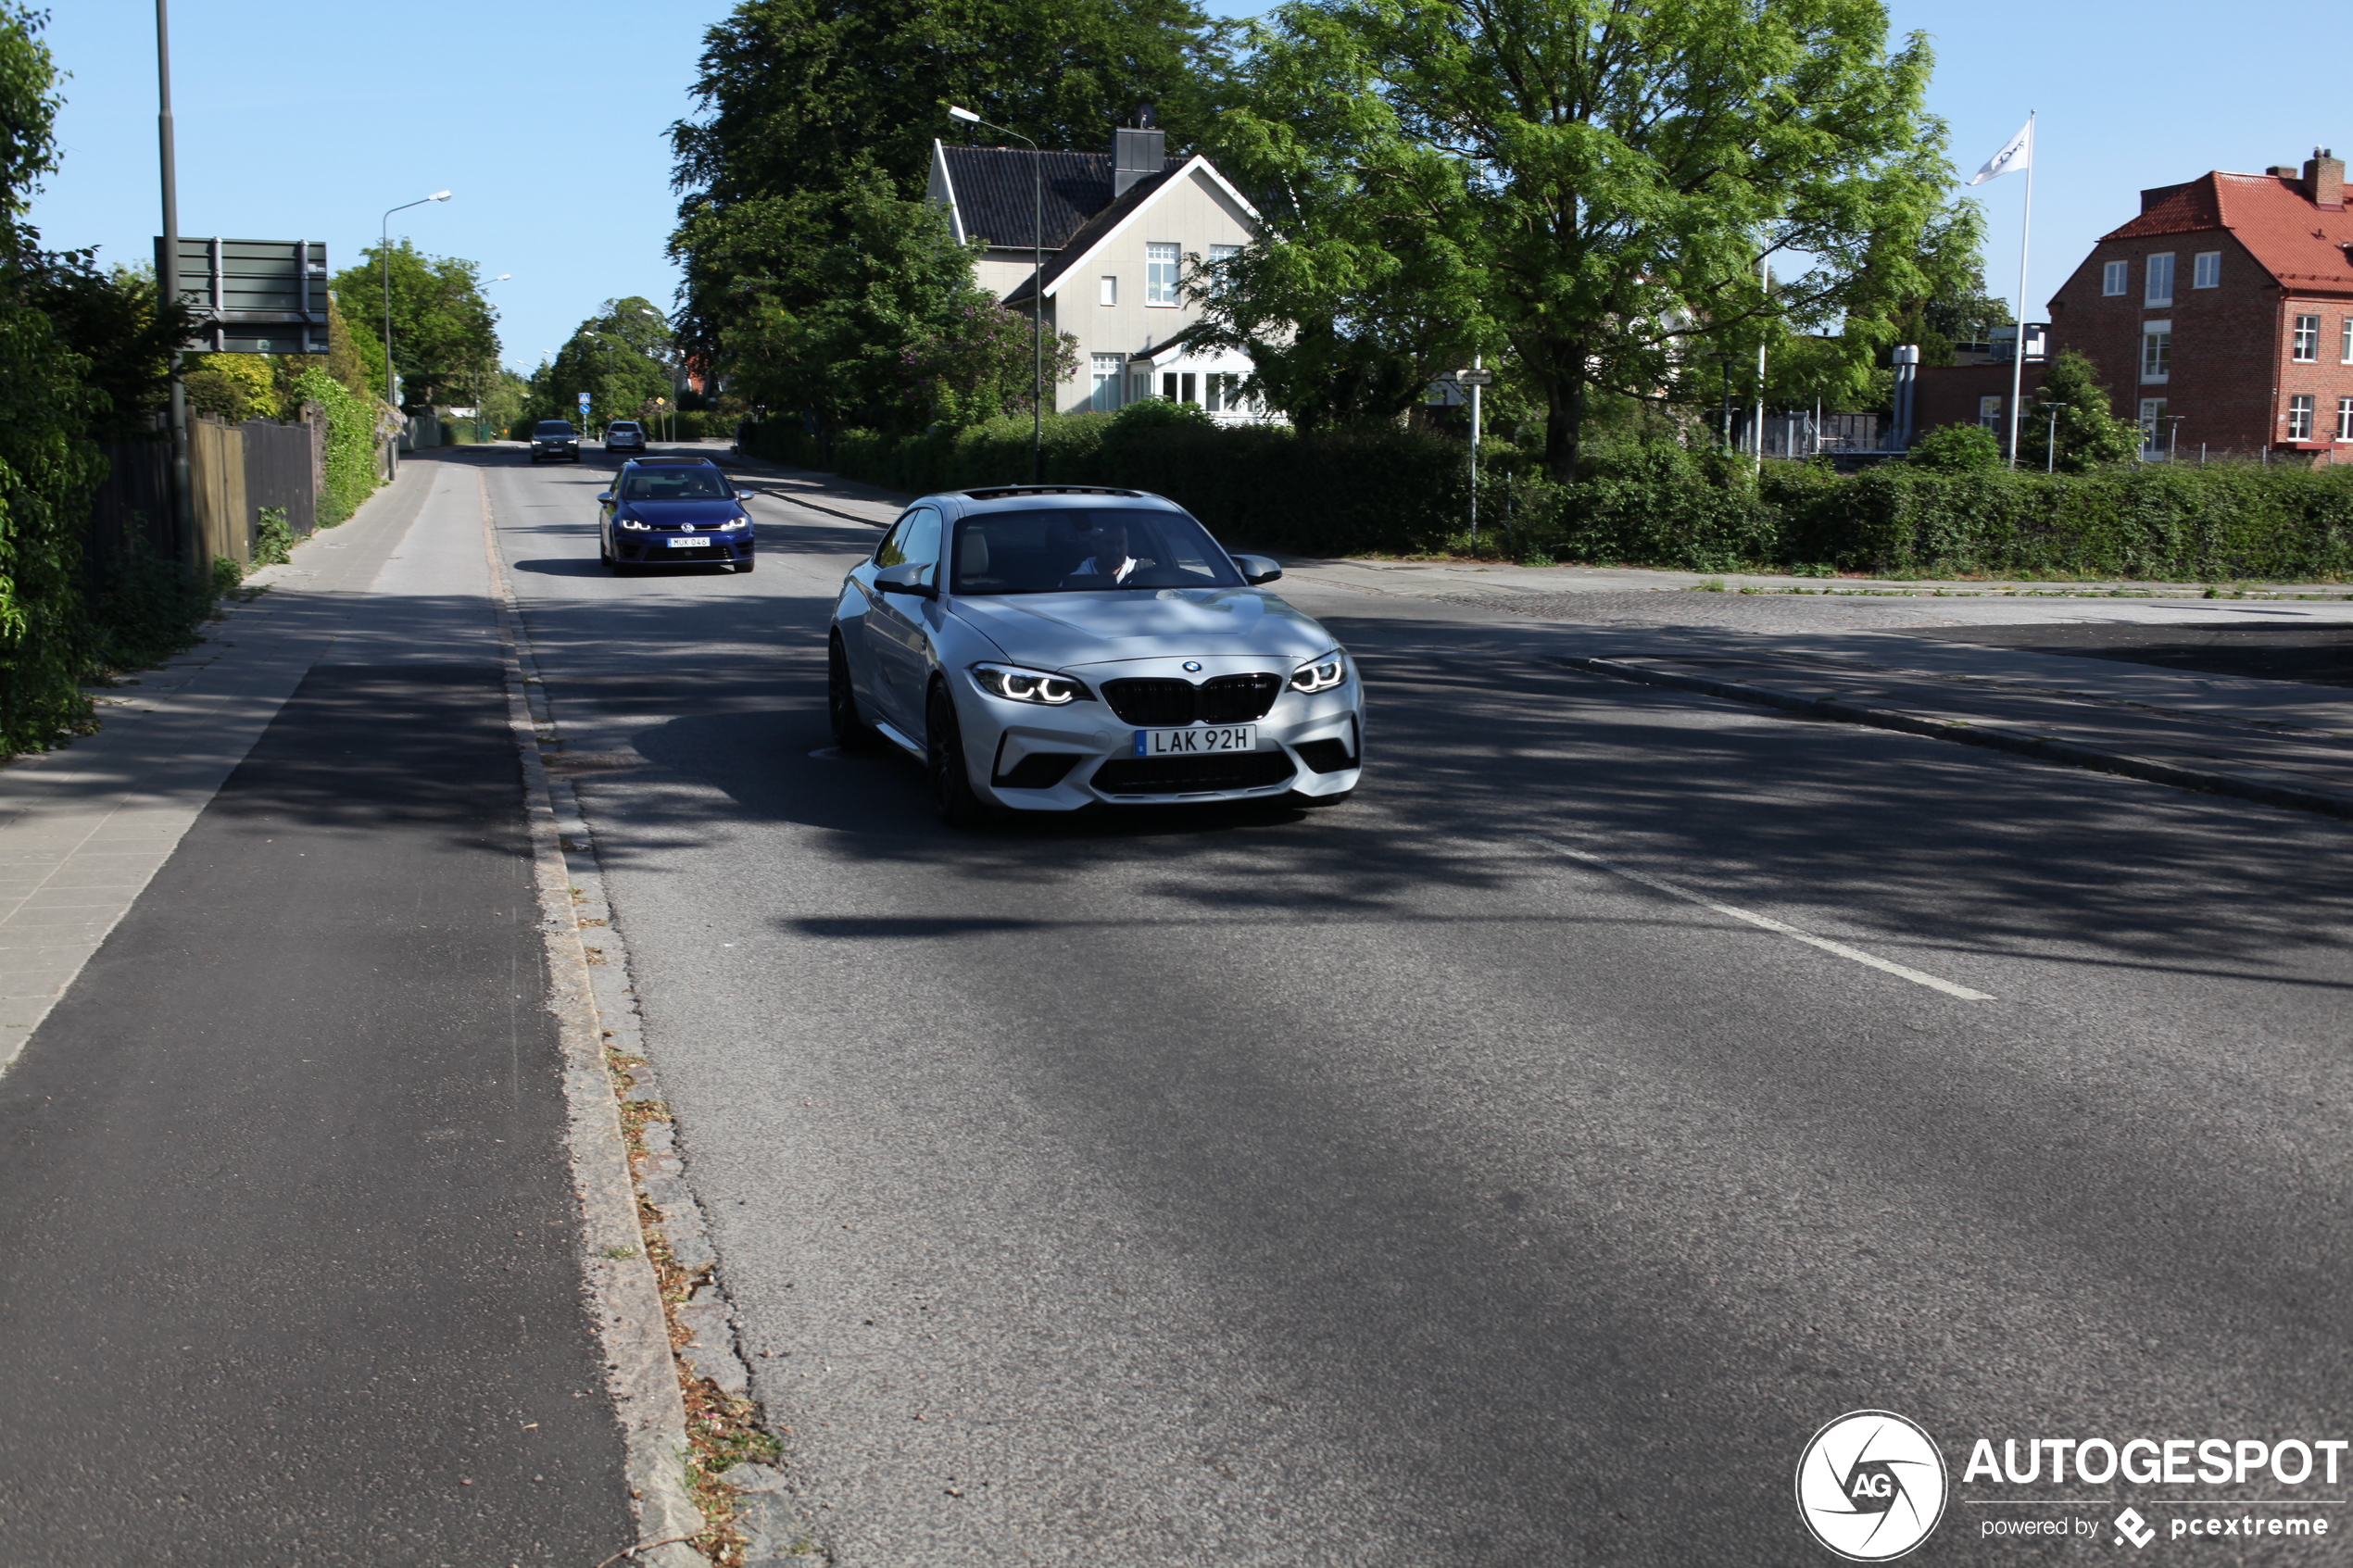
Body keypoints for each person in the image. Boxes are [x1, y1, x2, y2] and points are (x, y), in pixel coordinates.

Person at [1069, 521, 1139, 584]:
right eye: (1109, 543)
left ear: (1127, 545)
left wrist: (1147, 568)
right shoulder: (1078, 578)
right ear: (1095, 545)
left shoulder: (1138, 570)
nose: (1116, 550)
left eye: (1121, 543)